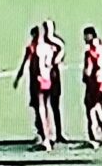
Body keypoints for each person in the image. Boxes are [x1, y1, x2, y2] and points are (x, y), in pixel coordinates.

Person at [15, 22, 66, 150]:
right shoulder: (49, 48)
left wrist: (18, 78)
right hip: (48, 81)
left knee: (41, 110)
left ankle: (45, 139)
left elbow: (24, 65)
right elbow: (57, 55)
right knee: (46, 109)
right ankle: (46, 134)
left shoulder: (32, 48)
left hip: (37, 82)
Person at [81, 26, 102, 149]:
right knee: (97, 105)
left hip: (95, 81)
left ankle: (94, 136)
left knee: (90, 107)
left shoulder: (90, 51)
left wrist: (85, 77)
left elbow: (88, 69)